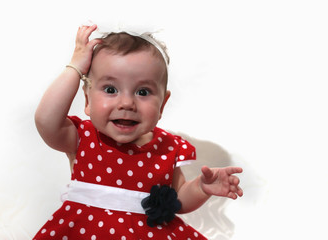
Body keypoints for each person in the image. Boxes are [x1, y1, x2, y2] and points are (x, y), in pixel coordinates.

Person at [33, 24, 243, 240]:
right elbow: (45, 120)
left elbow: (178, 200)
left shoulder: (167, 148)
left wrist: (201, 187)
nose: (126, 103)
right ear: (87, 99)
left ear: (162, 105)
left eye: (143, 92)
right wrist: (75, 68)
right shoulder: (82, 137)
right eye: (110, 89)